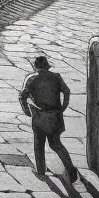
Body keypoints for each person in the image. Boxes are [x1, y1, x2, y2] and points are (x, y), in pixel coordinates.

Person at [19, 55, 80, 183]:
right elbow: (67, 92)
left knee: (39, 144)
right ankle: (71, 169)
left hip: (39, 116)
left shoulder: (31, 78)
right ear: (47, 66)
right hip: (55, 116)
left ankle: (41, 170)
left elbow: (22, 96)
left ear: (35, 66)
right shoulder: (56, 77)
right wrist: (63, 107)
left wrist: (27, 111)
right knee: (55, 143)